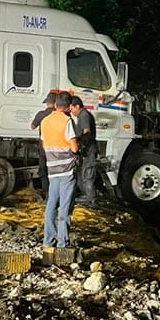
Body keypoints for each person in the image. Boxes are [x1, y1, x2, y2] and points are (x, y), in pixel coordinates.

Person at [41, 91, 78, 251]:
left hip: (52, 169)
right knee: (65, 205)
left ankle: (48, 242)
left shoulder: (45, 121)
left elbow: (44, 144)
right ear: (69, 107)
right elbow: (74, 147)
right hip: (67, 170)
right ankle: (63, 242)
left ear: (55, 105)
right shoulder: (67, 121)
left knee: (51, 204)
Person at [69, 95, 98, 205]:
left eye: (72, 108)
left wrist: (79, 144)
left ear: (77, 106)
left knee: (87, 176)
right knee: (83, 175)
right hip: (86, 151)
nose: (71, 111)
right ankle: (87, 197)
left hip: (88, 150)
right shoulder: (82, 115)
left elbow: (87, 132)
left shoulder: (84, 116)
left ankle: (91, 200)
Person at [30, 92, 57, 198]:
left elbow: (32, 126)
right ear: (55, 103)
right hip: (55, 148)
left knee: (44, 171)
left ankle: (46, 193)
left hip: (43, 147)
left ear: (47, 102)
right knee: (55, 172)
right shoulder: (58, 115)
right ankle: (55, 193)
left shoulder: (41, 114)